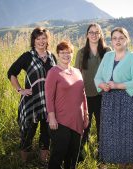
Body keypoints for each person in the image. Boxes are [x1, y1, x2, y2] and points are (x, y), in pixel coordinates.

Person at [94, 27, 133, 169]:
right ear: (111, 40)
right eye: (115, 38)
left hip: (130, 102)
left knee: (132, 138)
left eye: (121, 38)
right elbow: (98, 77)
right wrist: (102, 85)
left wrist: (117, 85)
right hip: (110, 102)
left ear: (126, 40)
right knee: (118, 139)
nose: (117, 41)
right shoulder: (108, 56)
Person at [7, 27, 56, 163]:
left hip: (48, 102)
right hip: (31, 102)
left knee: (47, 134)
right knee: (28, 133)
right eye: (38, 38)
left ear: (47, 40)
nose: (41, 41)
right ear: (33, 41)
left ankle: (43, 162)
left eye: (44, 38)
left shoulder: (52, 57)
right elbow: (11, 73)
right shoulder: (27, 56)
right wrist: (20, 90)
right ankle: (25, 164)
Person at [45, 41, 89, 169]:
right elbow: (49, 97)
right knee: (58, 154)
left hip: (77, 120)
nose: (66, 55)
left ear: (72, 53)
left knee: (73, 155)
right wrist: (51, 117)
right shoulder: (53, 72)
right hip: (60, 121)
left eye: (68, 52)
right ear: (57, 54)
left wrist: (86, 114)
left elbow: (83, 94)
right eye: (62, 52)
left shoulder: (77, 72)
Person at [74, 23, 111, 162]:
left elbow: (113, 72)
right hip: (86, 96)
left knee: (103, 127)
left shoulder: (107, 51)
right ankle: (79, 155)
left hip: (104, 95)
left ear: (100, 34)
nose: (94, 34)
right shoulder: (81, 53)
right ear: (87, 35)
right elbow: (76, 75)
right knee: (85, 127)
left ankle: (103, 156)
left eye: (97, 32)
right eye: (91, 32)